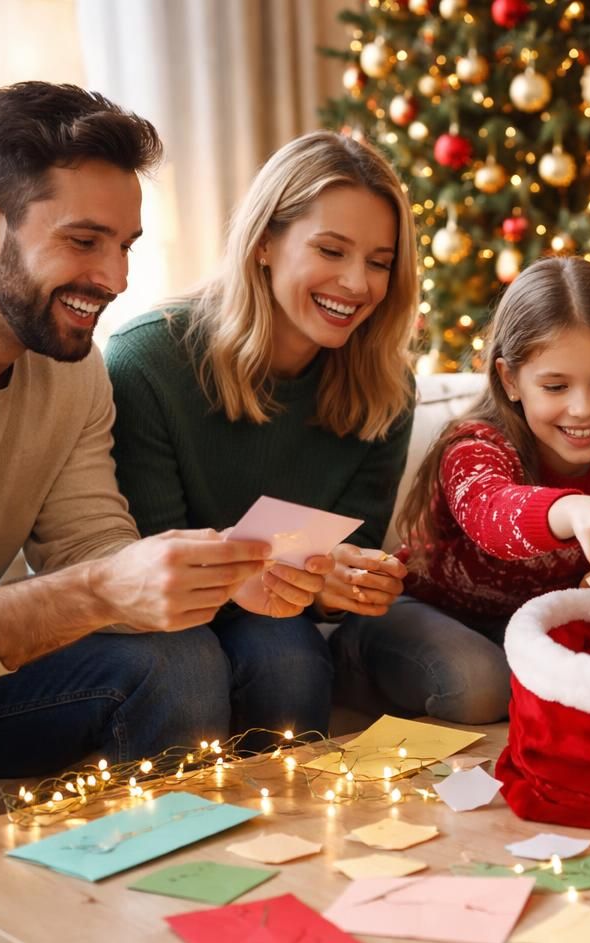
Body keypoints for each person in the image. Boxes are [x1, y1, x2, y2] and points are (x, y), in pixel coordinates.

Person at [0, 83, 270, 943]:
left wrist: (231, 577)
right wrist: (98, 589)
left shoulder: (71, 364)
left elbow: (96, 548)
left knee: (173, 660)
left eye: (125, 245)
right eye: (85, 240)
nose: (116, 277)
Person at [106, 131, 419, 744]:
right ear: (265, 243)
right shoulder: (148, 361)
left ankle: (296, 839)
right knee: (224, 662)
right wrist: (295, 572)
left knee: (289, 660)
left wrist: (343, 586)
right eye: (332, 250)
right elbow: (147, 557)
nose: (357, 284)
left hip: (279, 612)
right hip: (166, 615)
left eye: (379, 262)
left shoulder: (386, 386)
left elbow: (355, 545)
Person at [338, 256, 590, 723]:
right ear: (510, 379)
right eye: (555, 386)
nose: (582, 408)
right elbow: (493, 515)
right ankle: (351, 664)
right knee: (480, 683)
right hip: (423, 614)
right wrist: (575, 509)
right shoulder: (476, 447)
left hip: (530, 632)